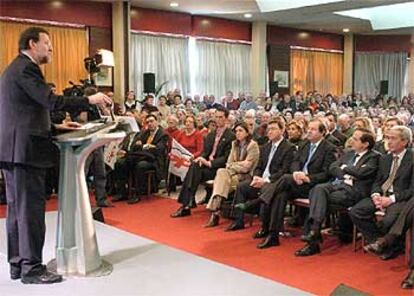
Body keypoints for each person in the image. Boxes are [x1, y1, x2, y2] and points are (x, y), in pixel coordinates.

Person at [0, 27, 112, 284]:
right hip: (25, 152)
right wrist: (89, 99)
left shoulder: (13, 69)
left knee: (17, 212)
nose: (51, 48)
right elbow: (50, 101)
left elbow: (23, 113)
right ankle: (32, 269)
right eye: (47, 43)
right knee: (30, 213)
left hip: (15, 150)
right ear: (32, 44)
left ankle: (18, 264)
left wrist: (55, 127)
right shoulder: (27, 69)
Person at [295, 128, 380, 256]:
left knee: (316, 199)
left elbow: (362, 173)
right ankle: (315, 231)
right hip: (339, 185)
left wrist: (345, 167)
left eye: (356, 139)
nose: (352, 141)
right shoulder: (349, 153)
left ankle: (313, 237)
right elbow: (333, 167)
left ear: (365, 144)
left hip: (354, 192)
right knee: (318, 189)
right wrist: (346, 174)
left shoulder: (374, 156)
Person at [350, 126, 414, 246]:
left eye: (393, 138)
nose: (389, 142)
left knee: (388, 221)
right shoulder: (385, 158)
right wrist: (375, 194)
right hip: (381, 195)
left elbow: (412, 189)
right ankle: (378, 242)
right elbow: (377, 181)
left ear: (405, 141)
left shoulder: (412, 158)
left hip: (399, 198)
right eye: (387, 138)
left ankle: (386, 244)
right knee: (356, 212)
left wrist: (391, 199)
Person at [170, 107, 235, 217]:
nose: (218, 120)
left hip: (219, 169)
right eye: (217, 117)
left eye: (221, 117)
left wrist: (209, 163)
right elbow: (205, 152)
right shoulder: (211, 134)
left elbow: (227, 157)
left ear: (226, 119)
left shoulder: (231, 136)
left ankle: (187, 204)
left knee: (194, 170)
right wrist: (201, 159)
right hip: (206, 166)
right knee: (195, 165)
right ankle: (188, 202)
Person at [204, 122, 260, 227]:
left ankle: (215, 211)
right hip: (232, 175)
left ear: (247, 133)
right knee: (221, 171)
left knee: (221, 180)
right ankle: (216, 210)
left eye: (241, 131)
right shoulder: (234, 144)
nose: (238, 133)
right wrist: (238, 165)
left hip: (246, 177)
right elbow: (228, 163)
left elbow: (247, 168)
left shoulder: (253, 145)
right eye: (236, 131)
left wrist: (233, 165)